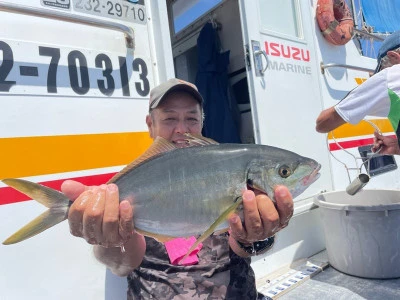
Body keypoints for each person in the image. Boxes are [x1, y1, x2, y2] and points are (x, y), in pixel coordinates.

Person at [60, 78, 294, 299]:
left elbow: (244, 247)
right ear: (151, 125)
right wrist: (107, 238)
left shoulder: (225, 169)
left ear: (202, 122)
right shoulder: (133, 184)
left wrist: (256, 236)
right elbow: (123, 264)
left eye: (191, 119)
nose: (182, 129)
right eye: (169, 119)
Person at [315, 30, 400, 155]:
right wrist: (397, 148)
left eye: (382, 67)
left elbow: (323, 124)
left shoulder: (392, 75)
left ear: (393, 56)